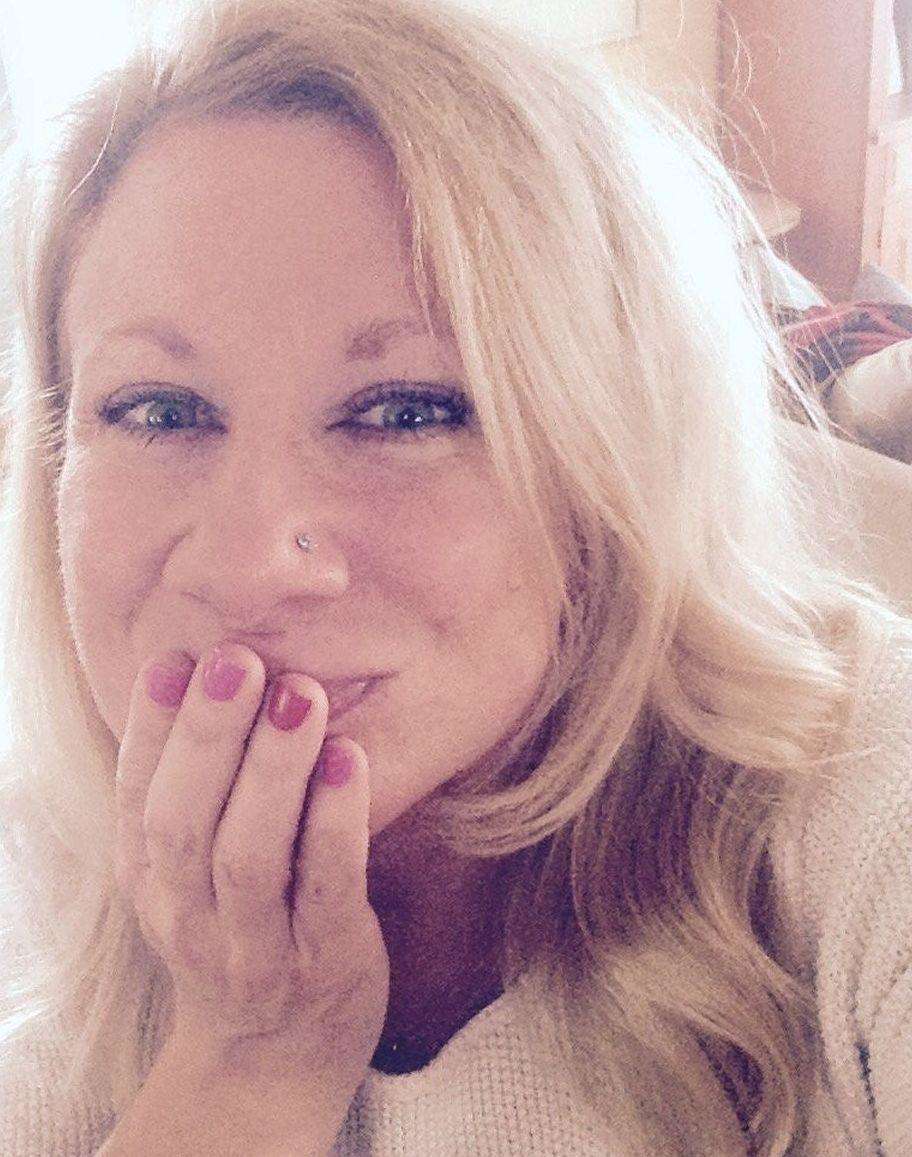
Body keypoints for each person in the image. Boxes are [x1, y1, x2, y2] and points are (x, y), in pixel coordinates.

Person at [0, 0, 909, 1153]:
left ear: (614, 458)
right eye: (159, 410)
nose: (247, 565)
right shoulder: (28, 899)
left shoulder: (868, 807)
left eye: (406, 411)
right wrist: (244, 1063)